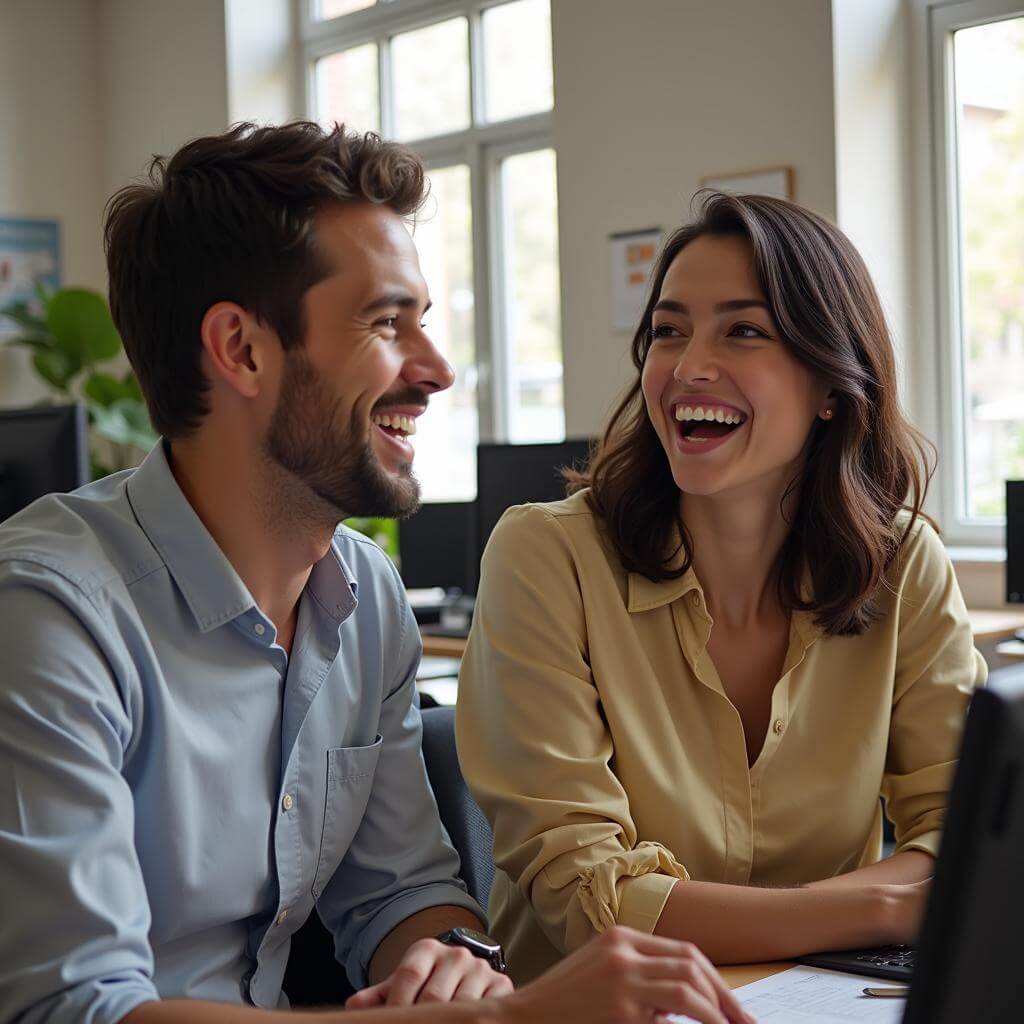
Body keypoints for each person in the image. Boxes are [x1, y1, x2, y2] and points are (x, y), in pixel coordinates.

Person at [0, 123, 748, 1024]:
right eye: (386, 323)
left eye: (423, 323)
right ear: (239, 349)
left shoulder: (362, 598)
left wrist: (453, 962)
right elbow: (75, 1010)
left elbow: (400, 891)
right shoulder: (48, 616)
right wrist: (502, 1016)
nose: (435, 371)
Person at [456, 191, 988, 984]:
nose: (687, 366)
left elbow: (971, 839)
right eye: (668, 331)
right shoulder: (547, 555)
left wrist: (894, 899)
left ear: (833, 385)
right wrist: (883, 904)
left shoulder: (904, 565)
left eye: (744, 330)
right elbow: (590, 899)